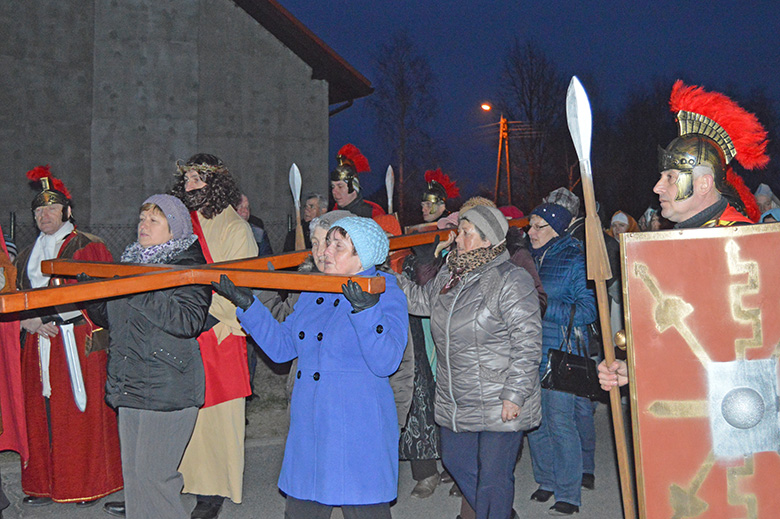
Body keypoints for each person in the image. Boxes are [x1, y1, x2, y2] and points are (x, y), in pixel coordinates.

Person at [212, 216, 408, 519]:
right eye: (327, 243)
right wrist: (249, 306)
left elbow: (387, 362)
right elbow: (281, 348)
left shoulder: (384, 291)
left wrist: (367, 311)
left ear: (363, 256)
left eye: (337, 246)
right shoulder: (315, 289)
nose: (325, 252)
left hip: (357, 429)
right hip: (312, 426)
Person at [598, 80, 767, 390]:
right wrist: (633, 369)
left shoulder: (747, 244)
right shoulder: (675, 241)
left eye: (670, 177)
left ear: (703, 184)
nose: (657, 187)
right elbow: (677, 337)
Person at [397, 205, 542, 519]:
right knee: (456, 462)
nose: (456, 238)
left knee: (493, 479)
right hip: (457, 395)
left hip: (498, 396)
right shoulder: (451, 275)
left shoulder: (510, 280)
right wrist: (386, 280)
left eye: (464, 232)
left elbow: (528, 343)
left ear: (487, 240)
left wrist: (514, 395)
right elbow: (423, 301)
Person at [83, 195, 211, 519]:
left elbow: (188, 321)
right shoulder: (130, 265)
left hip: (168, 387)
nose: (144, 225)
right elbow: (110, 318)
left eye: (154, 220)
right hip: (130, 384)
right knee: (136, 481)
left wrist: (138, 287)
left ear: (175, 228)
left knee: (156, 480)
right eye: (142, 218)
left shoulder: (190, 269)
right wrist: (92, 293)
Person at [14, 165, 123, 506]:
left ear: (67, 211)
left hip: (77, 341)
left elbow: (99, 297)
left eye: (50, 208)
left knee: (79, 418)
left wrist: (52, 316)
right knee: (41, 414)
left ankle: (86, 483)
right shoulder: (25, 254)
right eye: (38, 210)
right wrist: (28, 320)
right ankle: (45, 484)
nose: (43, 215)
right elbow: (15, 296)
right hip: (38, 343)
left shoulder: (88, 246)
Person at [172, 153, 258, 519]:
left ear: (215, 184)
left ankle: (215, 489)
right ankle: (183, 479)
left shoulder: (234, 229)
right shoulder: (178, 226)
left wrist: (205, 315)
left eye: (197, 179)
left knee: (218, 418)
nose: (190, 186)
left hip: (218, 329)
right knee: (183, 414)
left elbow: (242, 286)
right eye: (187, 179)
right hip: (181, 329)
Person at [526, 203, 598, 516]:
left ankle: (569, 492)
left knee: (559, 423)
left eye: (538, 226)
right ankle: (546, 481)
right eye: (529, 225)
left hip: (560, 352)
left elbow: (588, 310)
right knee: (534, 424)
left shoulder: (574, 258)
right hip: (527, 350)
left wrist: (543, 307)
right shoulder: (525, 257)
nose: (530, 232)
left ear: (557, 228)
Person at [330, 144, 386, 218]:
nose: (334, 191)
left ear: (353, 187)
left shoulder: (373, 214)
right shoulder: (332, 215)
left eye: (340, 186)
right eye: (333, 186)